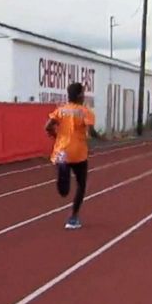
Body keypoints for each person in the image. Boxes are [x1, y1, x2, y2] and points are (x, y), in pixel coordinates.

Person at [45, 82, 99, 230]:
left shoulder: (60, 110)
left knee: (64, 189)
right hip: (78, 153)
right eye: (83, 93)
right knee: (81, 184)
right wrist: (102, 138)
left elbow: (47, 126)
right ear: (80, 95)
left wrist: (56, 136)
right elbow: (91, 132)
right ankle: (73, 217)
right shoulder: (85, 112)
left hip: (61, 151)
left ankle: (63, 173)